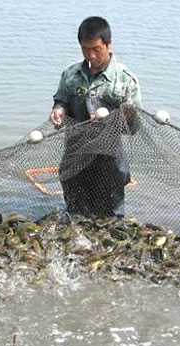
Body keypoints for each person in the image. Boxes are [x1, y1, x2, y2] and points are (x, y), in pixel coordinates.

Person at [50, 16, 142, 218]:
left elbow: (133, 127)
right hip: (75, 155)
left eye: (96, 49)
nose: (91, 55)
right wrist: (58, 110)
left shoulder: (125, 80)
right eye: (85, 49)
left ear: (109, 44)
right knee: (74, 214)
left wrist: (123, 115)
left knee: (111, 217)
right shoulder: (70, 74)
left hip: (108, 159)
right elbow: (61, 100)